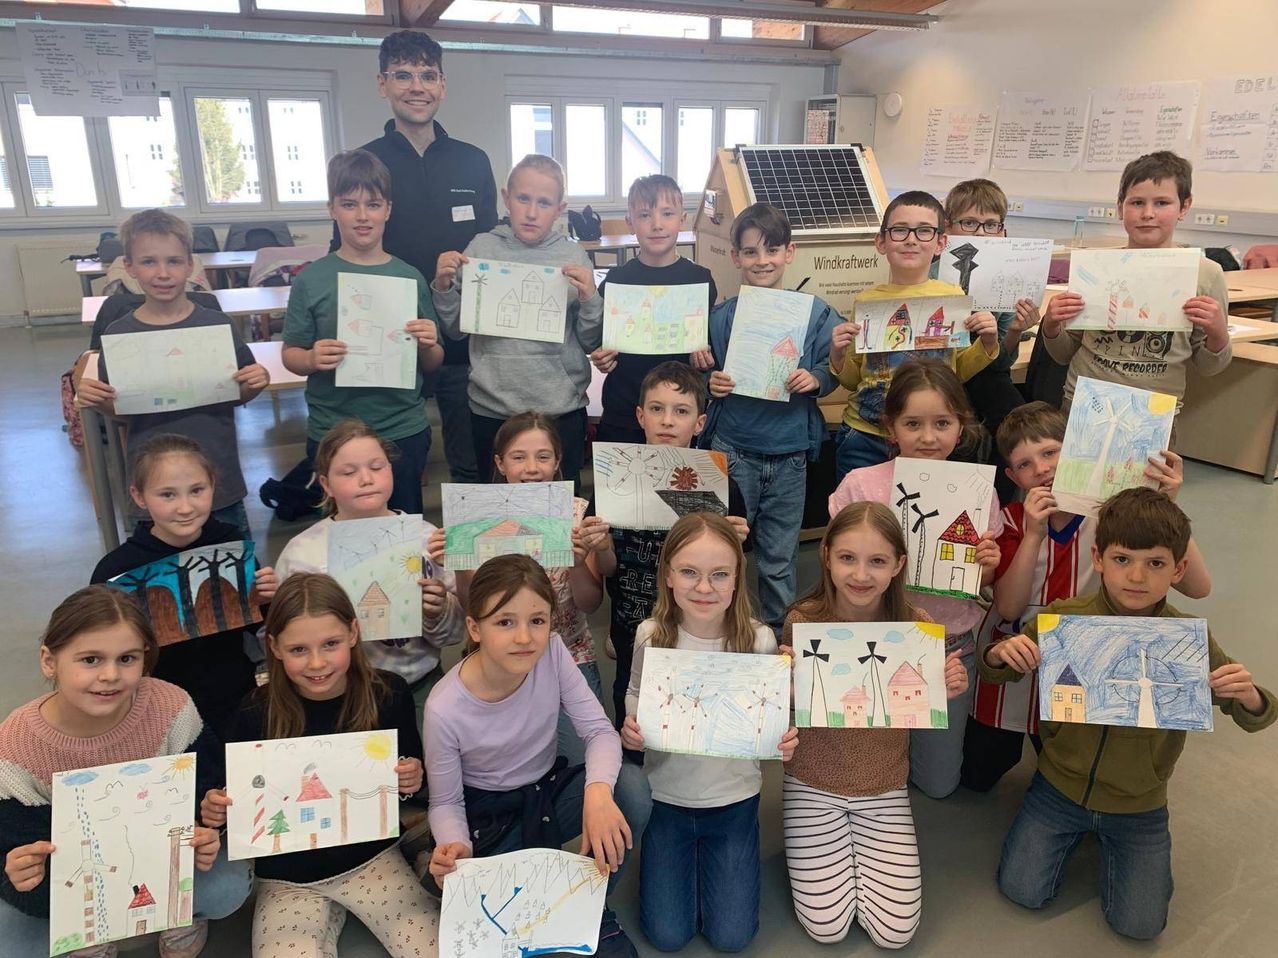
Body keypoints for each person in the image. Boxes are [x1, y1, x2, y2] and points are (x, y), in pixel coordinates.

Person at [980, 488, 1275, 939]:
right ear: (1098, 559)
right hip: (1058, 787)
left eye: (1155, 563)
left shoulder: (1184, 637)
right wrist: (1003, 654)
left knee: (1139, 926)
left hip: (1140, 804)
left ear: (1178, 570)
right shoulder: (1065, 618)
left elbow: (1251, 708)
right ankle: (1080, 835)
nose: (1136, 576)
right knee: (1021, 890)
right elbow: (999, 672)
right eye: (1122, 560)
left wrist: (1250, 696)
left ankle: (1114, 845)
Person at [962, 402, 1211, 791]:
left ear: (1077, 450)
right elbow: (1008, 608)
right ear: (1012, 475)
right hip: (1013, 664)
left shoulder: (1112, 517)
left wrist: (1167, 505)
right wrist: (1033, 534)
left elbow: (1197, 587)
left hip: (1083, 663)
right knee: (977, 776)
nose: (1042, 468)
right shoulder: (1010, 520)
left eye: (1050, 452)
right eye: (1025, 464)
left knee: (1068, 774)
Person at [0, 586, 250, 958]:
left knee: (229, 885)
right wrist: (19, 876)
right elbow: (13, 849)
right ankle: (93, 934)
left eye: (127, 658)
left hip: (163, 864)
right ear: (49, 661)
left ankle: (179, 913)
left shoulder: (170, 706)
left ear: (145, 659)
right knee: (13, 943)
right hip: (72, 884)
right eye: (90, 659)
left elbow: (207, 792)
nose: (110, 675)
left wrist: (211, 821)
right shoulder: (17, 744)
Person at [424, 555, 651, 958]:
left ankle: (588, 900)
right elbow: (446, 801)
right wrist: (456, 844)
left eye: (538, 621)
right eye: (504, 622)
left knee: (629, 788)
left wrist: (597, 795)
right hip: (490, 817)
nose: (525, 637)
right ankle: (545, 905)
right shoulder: (444, 707)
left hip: (546, 793)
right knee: (507, 937)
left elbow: (599, 731)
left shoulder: (553, 653)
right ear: (475, 628)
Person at [201, 573, 438, 958]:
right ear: (274, 647)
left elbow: (409, 779)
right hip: (286, 878)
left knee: (437, 947)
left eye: (330, 644)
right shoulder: (253, 712)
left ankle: (417, 854)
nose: (316, 663)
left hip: (372, 858)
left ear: (353, 633)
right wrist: (216, 808)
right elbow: (231, 798)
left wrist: (411, 775)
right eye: (298, 650)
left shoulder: (388, 694)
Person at [781, 502, 966, 948]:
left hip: (884, 787)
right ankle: (835, 854)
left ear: (898, 564)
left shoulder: (917, 627)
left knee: (896, 932)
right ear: (825, 556)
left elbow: (914, 707)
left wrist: (940, 688)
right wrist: (781, 688)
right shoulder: (803, 621)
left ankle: (856, 855)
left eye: (877, 561)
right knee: (826, 928)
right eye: (847, 558)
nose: (860, 574)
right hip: (812, 780)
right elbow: (792, 713)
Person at [622, 512, 797, 953]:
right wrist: (632, 730)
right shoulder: (651, 636)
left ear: (738, 579)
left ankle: (708, 861)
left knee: (733, 937)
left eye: (720, 574)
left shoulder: (757, 641)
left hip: (733, 803)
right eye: (689, 573)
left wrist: (782, 734)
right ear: (667, 576)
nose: (704, 588)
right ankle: (678, 860)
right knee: (667, 936)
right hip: (666, 800)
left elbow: (770, 720)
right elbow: (636, 696)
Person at [828, 360, 1001, 799]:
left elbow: (981, 582)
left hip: (949, 646)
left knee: (938, 784)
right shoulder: (860, 485)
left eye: (942, 423)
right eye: (913, 423)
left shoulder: (978, 491)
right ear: (891, 427)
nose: (928, 437)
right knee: (864, 770)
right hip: (874, 640)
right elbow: (835, 570)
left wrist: (987, 562)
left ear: (959, 428)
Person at [354, 29, 497, 484]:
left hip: (460, 342)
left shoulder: (472, 161)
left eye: (427, 75)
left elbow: (490, 246)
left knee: (469, 460)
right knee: (391, 465)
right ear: (382, 84)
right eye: (403, 75)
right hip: (387, 337)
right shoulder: (365, 163)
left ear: (442, 84)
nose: (417, 86)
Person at [693, 202, 841, 634]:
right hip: (733, 451)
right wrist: (710, 383)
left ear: (789, 253)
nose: (762, 261)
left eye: (772, 250)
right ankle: (719, 633)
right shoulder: (721, 317)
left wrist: (815, 378)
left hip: (790, 454)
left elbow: (833, 369)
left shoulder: (814, 313)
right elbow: (702, 373)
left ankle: (780, 641)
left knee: (779, 558)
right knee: (721, 552)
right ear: (736, 257)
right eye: (751, 252)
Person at [426, 411, 610, 758]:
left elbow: (589, 603)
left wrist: (575, 561)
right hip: (500, 657)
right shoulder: (476, 518)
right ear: (500, 462)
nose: (531, 468)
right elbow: (472, 607)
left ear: (558, 462)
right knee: (510, 759)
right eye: (518, 457)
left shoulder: (576, 514)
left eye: (543, 456)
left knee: (582, 757)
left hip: (570, 652)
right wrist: (459, 563)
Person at [77, 209, 269, 539]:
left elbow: (237, 392)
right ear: (130, 265)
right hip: (153, 486)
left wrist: (256, 383)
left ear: (190, 265)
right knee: (158, 578)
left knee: (233, 571)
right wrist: (100, 401)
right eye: (149, 262)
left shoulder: (216, 326)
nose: (162, 273)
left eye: (174, 261)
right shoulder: (120, 334)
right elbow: (121, 409)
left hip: (216, 479)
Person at [283, 150, 444, 515]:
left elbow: (434, 361)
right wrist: (310, 358)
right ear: (332, 209)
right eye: (349, 204)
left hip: (401, 428)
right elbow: (290, 354)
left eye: (372, 205)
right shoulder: (311, 279)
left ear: (388, 209)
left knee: (404, 529)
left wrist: (428, 342)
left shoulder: (408, 277)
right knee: (344, 534)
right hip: (333, 431)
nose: (361, 216)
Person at [270, 420, 464, 715]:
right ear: (325, 484)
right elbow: (284, 639)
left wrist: (439, 609)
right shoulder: (302, 554)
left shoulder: (426, 539)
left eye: (377, 467)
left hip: (418, 685)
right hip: (336, 695)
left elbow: (452, 635)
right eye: (348, 472)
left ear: (391, 470)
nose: (366, 479)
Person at [432, 154, 602, 485]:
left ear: (560, 207)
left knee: (562, 509)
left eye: (544, 202)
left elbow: (590, 340)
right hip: (492, 408)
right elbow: (454, 331)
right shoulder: (481, 248)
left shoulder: (572, 255)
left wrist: (590, 298)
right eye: (523, 198)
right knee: (499, 510)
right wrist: (443, 287)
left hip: (559, 409)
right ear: (506, 198)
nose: (532, 211)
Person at [600, 362, 750, 733]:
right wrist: (598, 545)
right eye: (657, 408)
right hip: (632, 622)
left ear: (699, 423)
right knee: (633, 715)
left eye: (681, 411)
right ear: (640, 415)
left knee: (698, 711)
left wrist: (736, 541)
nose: (667, 420)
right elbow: (606, 568)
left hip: (701, 626)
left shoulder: (721, 486)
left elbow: (734, 572)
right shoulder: (612, 482)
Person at [89, 435, 269, 740]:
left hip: (232, 697)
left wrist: (268, 597)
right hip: (154, 709)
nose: (185, 507)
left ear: (213, 485)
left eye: (197, 490)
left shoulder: (233, 547)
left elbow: (262, 626)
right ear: (139, 496)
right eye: (167, 495)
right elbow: (100, 648)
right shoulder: (116, 570)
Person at [1040, 151, 1231, 417]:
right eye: (1137, 202)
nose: (1148, 213)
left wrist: (1218, 333)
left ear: (1184, 207)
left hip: (1153, 411)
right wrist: (1050, 324)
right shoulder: (1096, 267)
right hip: (1085, 402)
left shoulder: (1206, 274)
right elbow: (1064, 353)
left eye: (1162, 203)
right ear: (1120, 207)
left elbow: (1209, 366)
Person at [828, 190, 999, 482]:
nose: (911, 239)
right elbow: (854, 379)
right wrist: (837, 354)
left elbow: (957, 373)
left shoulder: (951, 296)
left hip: (925, 437)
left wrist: (988, 342)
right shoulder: (868, 300)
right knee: (861, 519)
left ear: (941, 242)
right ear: (881, 242)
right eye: (899, 230)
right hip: (867, 433)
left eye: (924, 231)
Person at [589, 175, 718, 444]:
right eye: (645, 215)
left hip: (678, 419)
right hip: (624, 411)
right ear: (630, 222)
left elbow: (709, 344)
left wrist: (706, 359)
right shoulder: (615, 282)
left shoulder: (700, 280)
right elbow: (602, 346)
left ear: (682, 219)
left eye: (667, 214)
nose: (657, 224)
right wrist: (601, 357)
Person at [940, 178, 1041, 501]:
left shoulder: (1008, 278)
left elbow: (1001, 363)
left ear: (1003, 231)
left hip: (986, 376)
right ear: (948, 228)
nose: (980, 234)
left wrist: (1012, 331)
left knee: (1016, 423)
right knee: (958, 432)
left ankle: (999, 504)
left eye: (991, 225)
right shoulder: (933, 273)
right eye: (969, 223)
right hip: (942, 371)